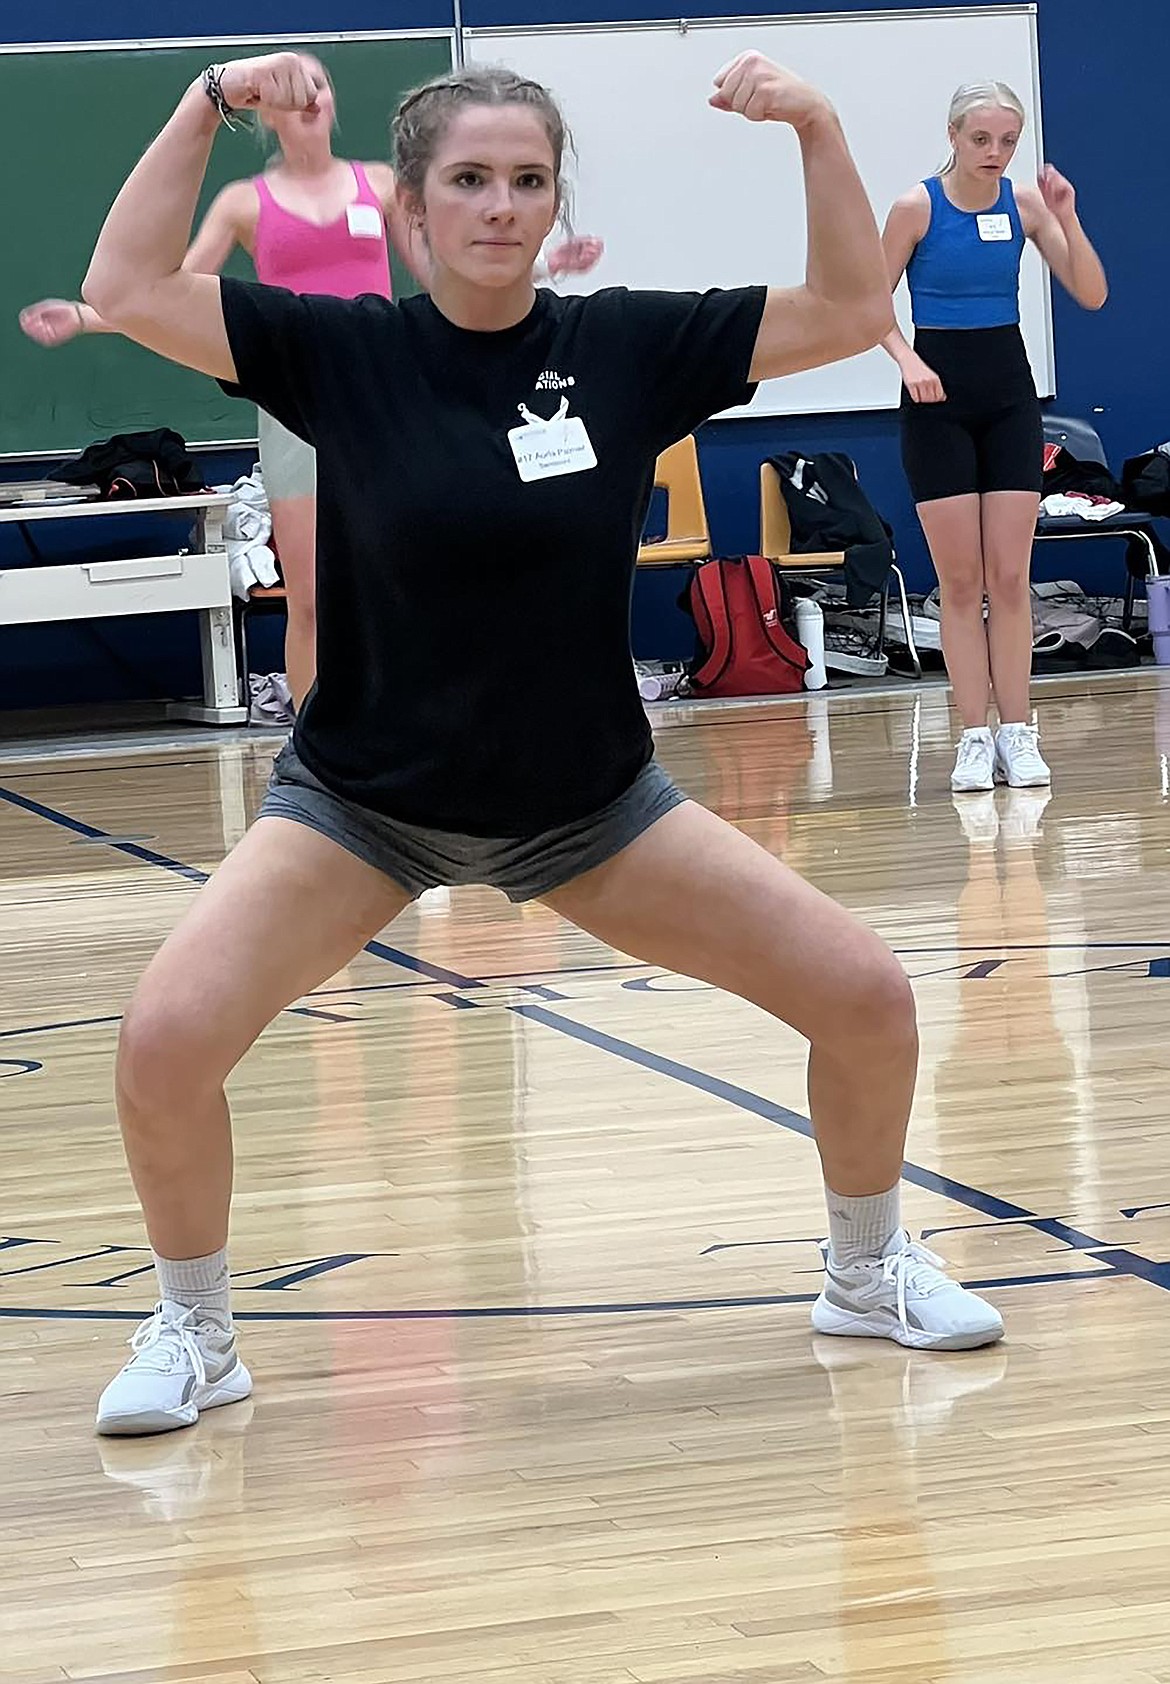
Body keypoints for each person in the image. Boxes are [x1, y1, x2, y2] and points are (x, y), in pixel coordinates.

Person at [81, 49, 1004, 1437]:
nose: (498, 206)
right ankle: (197, 1331)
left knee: (867, 997)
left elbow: (844, 307)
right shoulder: (345, 351)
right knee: (163, 1040)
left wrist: (817, 121)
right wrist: (206, 103)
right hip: (361, 805)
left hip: (588, 807)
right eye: (468, 180)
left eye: (524, 180)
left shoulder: (622, 345)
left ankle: (865, 1269)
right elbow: (126, 292)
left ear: (551, 197)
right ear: (412, 208)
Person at [19, 58, 602, 709]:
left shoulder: (380, 185)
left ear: (333, 103)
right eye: (293, 91)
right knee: (313, 596)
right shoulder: (244, 201)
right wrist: (83, 317)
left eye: (320, 84)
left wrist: (545, 266)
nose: (309, 98)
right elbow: (168, 294)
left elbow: (449, 274)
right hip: (296, 407)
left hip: (392, 398)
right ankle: (312, 746)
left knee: (416, 578)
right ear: (266, 115)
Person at [880, 81, 1108, 794]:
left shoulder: (1026, 205)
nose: (995, 153)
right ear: (952, 135)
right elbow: (863, 302)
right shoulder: (917, 207)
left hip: (1008, 397)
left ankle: (1019, 733)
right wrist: (907, 358)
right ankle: (972, 737)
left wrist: (1068, 219)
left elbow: (1092, 292)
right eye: (982, 139)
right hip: (937, 403)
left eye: (1008, 141)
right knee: (961, 582)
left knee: (1011, 580)